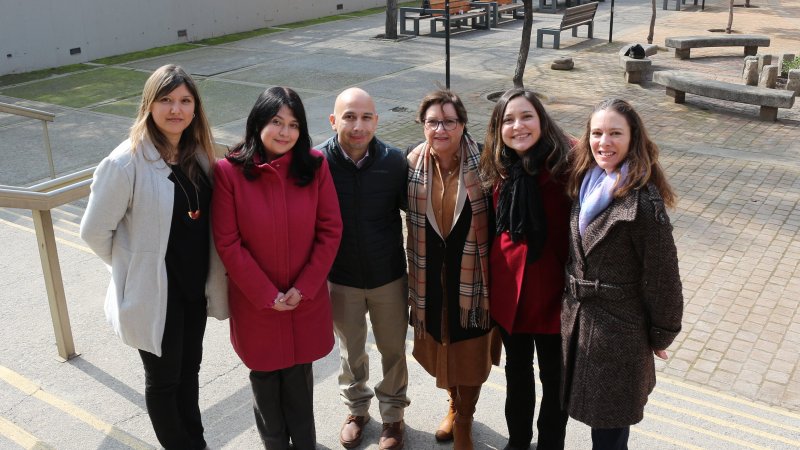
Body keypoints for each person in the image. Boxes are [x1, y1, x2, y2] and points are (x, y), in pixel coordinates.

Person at [80, 64, 226, 450]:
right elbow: (94, 231)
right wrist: (131, 268)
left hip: (193, 288)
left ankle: (196, 441)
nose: (176, 109)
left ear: (195, 108)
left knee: (189, 371)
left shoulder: (198, 155)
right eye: (166, 100)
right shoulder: (125, 162)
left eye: (185, 101)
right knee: (163, 381)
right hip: (154, 294)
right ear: (149, 104)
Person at [211, 87, 343, 450]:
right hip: (256, 305)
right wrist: (267, 295)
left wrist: (305, 287)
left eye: (294, 124)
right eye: (276, 122)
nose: (285, 132)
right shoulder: (229, 172)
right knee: (266, 383)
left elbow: (330, 230)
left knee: (300, 382)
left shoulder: (314, 166)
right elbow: (228, 242)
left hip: (304, 300)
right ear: (258, 123)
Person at [562, 98, 683, 450]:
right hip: (579, 324)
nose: (604, 142)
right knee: (590, 419)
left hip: (619, 334)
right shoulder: (586, 182)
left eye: (615, 133)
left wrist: (661, 334)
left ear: (633, 138)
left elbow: (663, 277)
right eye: (597, 133)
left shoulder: (642, 202)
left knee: (610, 432)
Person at [315, 88, 410, 450]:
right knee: (350, 351)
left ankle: (393, 416)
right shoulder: (317, 163)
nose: (358, 126)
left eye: (366, 117)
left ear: (376, 121)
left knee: (393, 350)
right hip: (341, 278)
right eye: (349, 117)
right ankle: (357, 410)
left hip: (388, 275)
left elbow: (416, 213)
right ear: (333, 120)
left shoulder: (394, 162)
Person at [406, 89, 500, 450]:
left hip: (473, 283)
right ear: (422, 125)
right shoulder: (411, 164)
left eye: (449, 121)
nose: (440, 129)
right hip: (430, 280)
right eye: (433, 122)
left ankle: (464, 420)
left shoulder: (488, 164)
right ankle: (452, 402)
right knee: (442, 348)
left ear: (463, 124)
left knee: (470, 353)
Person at [479, 88, 571, 450]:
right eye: (509, 120)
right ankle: (518, 441)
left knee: (555, 378)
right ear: (498, 128)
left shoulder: (567, 165)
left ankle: (550, 444)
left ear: (542, 120)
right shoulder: (499, 167)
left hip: (554, 294)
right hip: (510, 295)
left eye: (526, 116)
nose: (518, 126)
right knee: (517, 374)